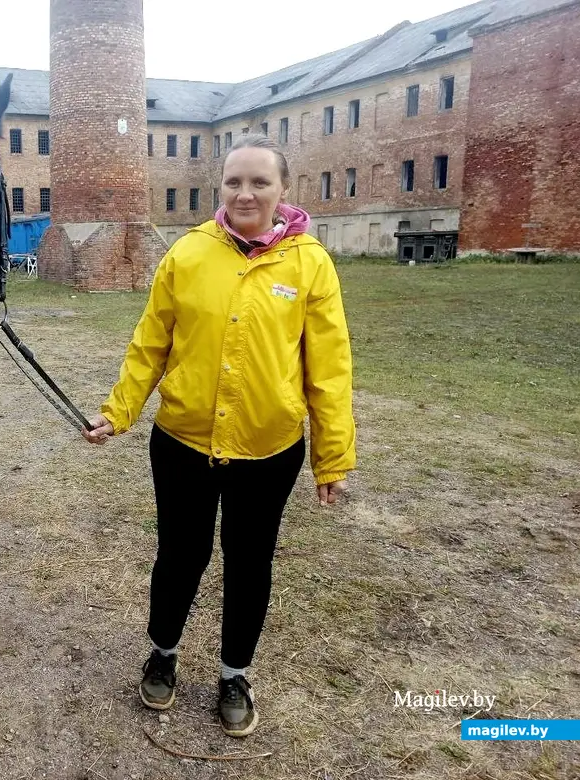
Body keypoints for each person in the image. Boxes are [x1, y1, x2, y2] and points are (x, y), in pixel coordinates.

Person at [82, 135, 355, 737]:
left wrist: (331, 456)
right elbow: (151, 342)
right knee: (180, 554)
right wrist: (119, 411)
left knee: (249, 562)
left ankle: (235, 673)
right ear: (220, 189)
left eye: (259, 182)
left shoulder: (310, 264)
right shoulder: (187, 253)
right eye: (234, 182)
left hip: (269, 447)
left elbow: (328, 369)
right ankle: (164, 653)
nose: (245, 193)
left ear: (284, 191)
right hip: (182, 440)